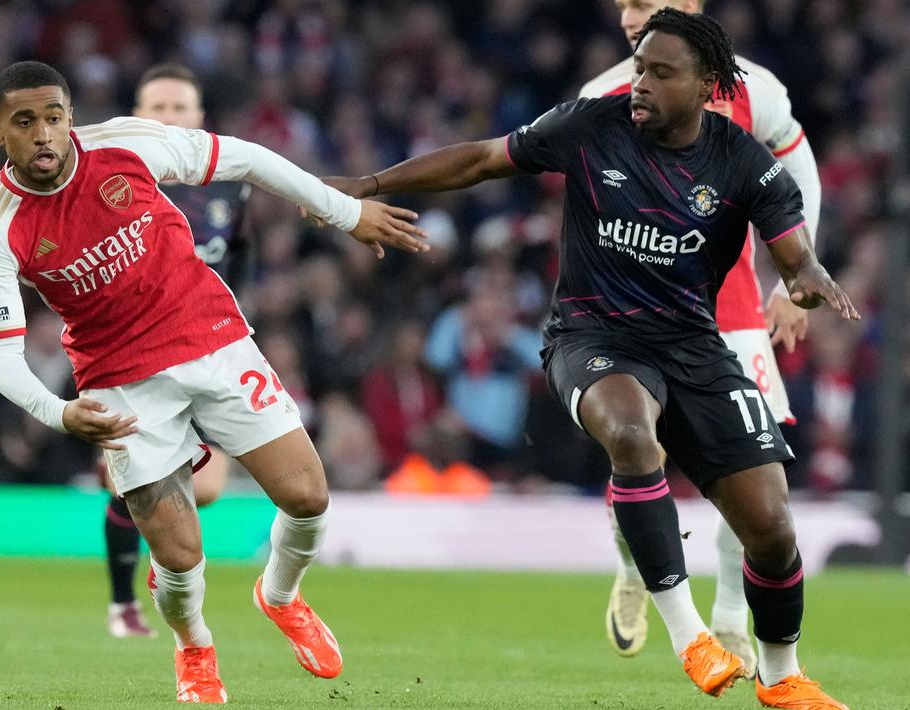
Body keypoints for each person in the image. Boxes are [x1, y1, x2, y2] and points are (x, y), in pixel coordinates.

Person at [321, 10, 853, 708]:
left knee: (771, 527)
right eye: (638, 68)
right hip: (591, 337)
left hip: (694, 345)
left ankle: (781, 676)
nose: (640, 84)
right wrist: (370, 185)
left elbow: (792, 252)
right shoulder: (589, 125)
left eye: (661, 74)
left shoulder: (742, 161)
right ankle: (690, 635)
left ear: (705, 88)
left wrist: (806, 278)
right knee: (631, 437)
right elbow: (482, 158)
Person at [0, 60, 427, 703]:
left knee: (308, 495)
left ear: (70, 116)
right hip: (121, 383)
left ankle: (280, 596)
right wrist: (60, 413)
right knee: (180, 558)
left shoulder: (125, 143)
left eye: (54, 117)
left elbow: (244, 158)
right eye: (25, 122)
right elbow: (3, 358)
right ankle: (195, 650)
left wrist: (348, 213)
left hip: (211, 338)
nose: (44, 134)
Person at [580, 0, 823, 673]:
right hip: (641, 311)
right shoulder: (601, 97)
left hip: (733, 306)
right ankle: (634, 569)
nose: (633, 13)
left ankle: (729, 618)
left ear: (690, 6)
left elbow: (797, 170)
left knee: (751, 463)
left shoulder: (755, 89)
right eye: (625, 2)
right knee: (635, 448)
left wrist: (793, 275)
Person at [101, 62, 254, 639]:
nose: (168, 118)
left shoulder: (230, 184)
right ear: (136, 117)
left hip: (208, 346)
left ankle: (162, 551)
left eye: (179, 108)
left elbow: (239, 263)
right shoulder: (109, 179)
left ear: (198, 117)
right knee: (128, 481)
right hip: (129, 351)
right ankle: (123, 607)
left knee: (208, 487)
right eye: (157, 109)